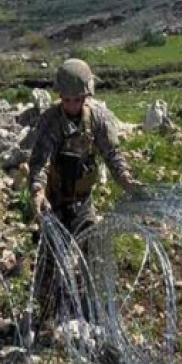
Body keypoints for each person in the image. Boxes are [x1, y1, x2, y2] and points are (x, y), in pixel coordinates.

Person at [27, 58, 135, 323]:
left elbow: (112, 153)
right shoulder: (50, 121)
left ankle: (90, 308)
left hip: (83, 201)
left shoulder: (97, 118)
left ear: (86, 96)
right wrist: (38, 191)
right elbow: (40, 161)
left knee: (92, 254)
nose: (72, 106)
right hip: (55, 201)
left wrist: (125, 178)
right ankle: (46, 313)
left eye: (77, 100)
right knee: (49, 262)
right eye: (67, 100)